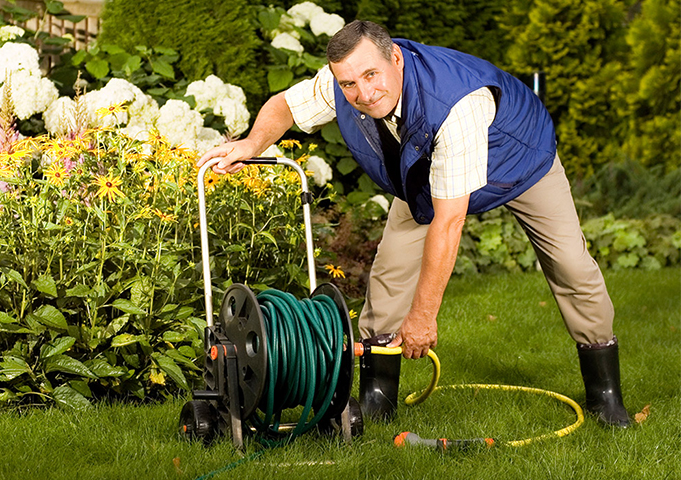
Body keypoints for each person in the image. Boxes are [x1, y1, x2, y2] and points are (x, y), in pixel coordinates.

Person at [197, 20, 629, 427]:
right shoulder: (342, 82)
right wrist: (251, 143)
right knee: (390, 268)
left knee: (571, 266)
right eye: (349, 83)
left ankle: (605, 394)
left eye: (371, 75)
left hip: (519, 160)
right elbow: (284, 106)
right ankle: (378, 397)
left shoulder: (458, 104)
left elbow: (450, 221)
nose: (363, 93)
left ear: (396, 59)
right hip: (430, 170)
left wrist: (423, 317)